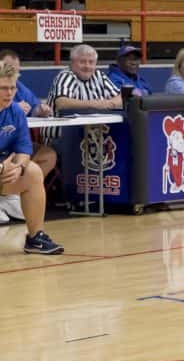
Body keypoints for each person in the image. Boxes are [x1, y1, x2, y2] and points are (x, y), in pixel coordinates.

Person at [0, 63, 64, 254]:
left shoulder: (15, 112)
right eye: (3, 88)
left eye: (13, 88)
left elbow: (24, 148)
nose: (10, 92)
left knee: (33, 171)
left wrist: (18, 168)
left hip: (5, 169)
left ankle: (35, 238)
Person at [47, 44, 122, 117]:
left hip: (92, 127)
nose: (87, 66)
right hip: (64, 128)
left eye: (91, 62)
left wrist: (109, 104)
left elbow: (121, 98)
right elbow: (62, 103)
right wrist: (96, 104)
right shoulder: (66, 75)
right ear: (72, 63)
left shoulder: (99, 75)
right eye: (82, 62)